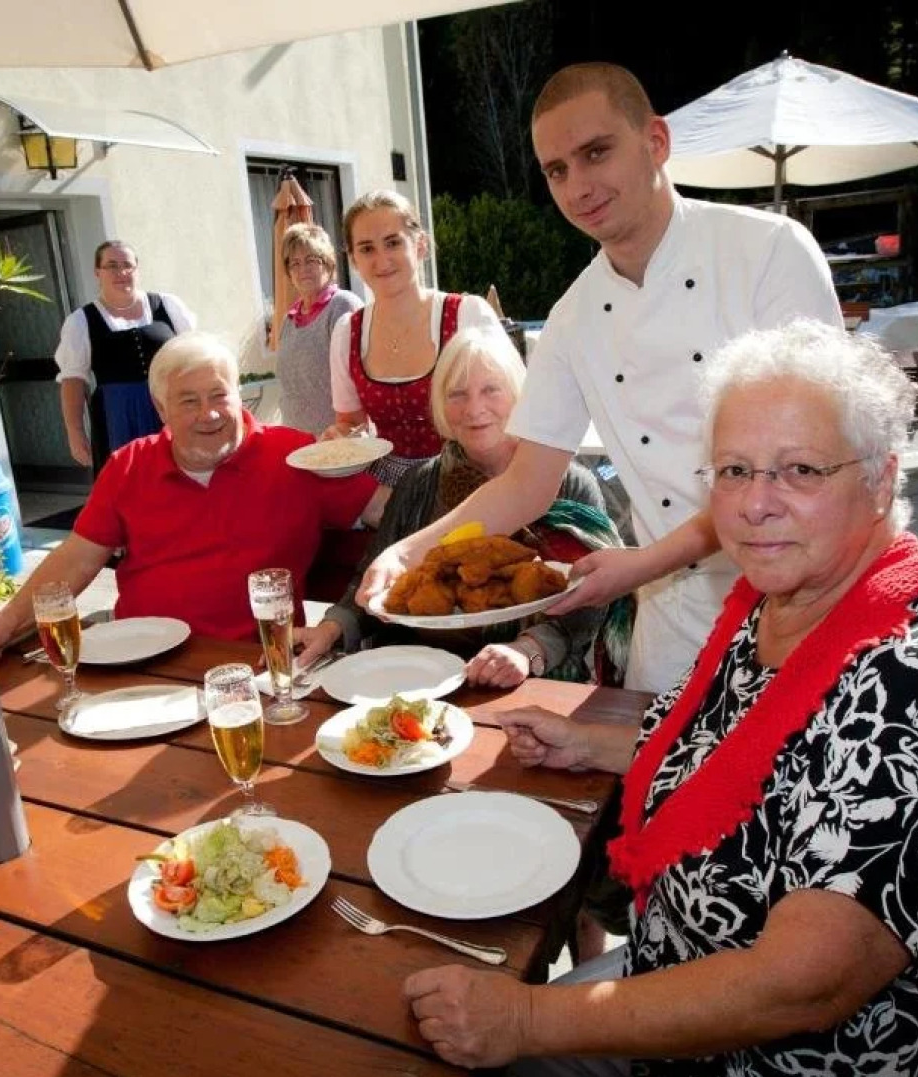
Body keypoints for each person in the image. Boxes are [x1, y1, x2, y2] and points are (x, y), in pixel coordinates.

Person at [402, 320, 918, 1077]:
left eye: (798, 470)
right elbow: (753, 747)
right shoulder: (789, 600)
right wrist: (591, 744)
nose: (755, 504)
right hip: (688, 982)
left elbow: (804, 984)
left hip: (842, 1053)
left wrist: (527, 1017)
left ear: (881, 479)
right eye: (732, 470)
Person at [357, 64, 842, 695]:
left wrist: (640, 565)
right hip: (675, 625)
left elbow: (803, 470)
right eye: (557, 170)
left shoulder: (770, 252)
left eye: (595, 153)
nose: (577, 185)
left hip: (804, 602)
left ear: (656, 143)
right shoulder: (573, 316)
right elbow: (526, 485)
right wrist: (408, 551)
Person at [0, 332, 388, 648]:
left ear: (238, 394)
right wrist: (5, 625)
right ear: (161, 410)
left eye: (219, 395)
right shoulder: (129, 465)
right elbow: (76, 559)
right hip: (144, 662)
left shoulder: (296, 455)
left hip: (259, 662)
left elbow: (387, 511)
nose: (208, 414)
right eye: (189, 401)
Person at [296, 328, 628, 689]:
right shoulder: (419, 484)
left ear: (520, 395)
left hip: (536, 683)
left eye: (491, 390)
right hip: (425, 678)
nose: (474, 409)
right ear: (440, 404)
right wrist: (330, 630)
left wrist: (527, 650)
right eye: (457, 394)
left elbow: (590, 599)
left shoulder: (568, 482)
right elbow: (374, 583)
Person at [324, 189, 504, 486]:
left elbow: (510, 406)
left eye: (393, 243)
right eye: (367, 249)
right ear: (353, 259)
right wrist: (340, 438)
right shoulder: (347, 332)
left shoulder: (467, 315)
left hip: (469, 478)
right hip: (386, 488)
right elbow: (351, 423)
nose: (382, 260)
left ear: (420, 245)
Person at [53, 240, 197, 472]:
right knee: (129, 480)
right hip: (117, 414)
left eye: (127, 265)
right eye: (111, 266)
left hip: (172, 406)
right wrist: (75, 432)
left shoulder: (167, 305)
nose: (121, 272)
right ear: (97, 272)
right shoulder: (81, 321)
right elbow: (73, 380)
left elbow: (195, 356)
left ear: (137, 269)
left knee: (183, 474)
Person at [273, 222, 363, 434]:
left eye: (311, 260)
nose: (302, 269)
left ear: (328, 263)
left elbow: (359, 378)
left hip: (338, 439)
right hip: (297, 439)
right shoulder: (289, 320)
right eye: (294, 263)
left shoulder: (342, 305)